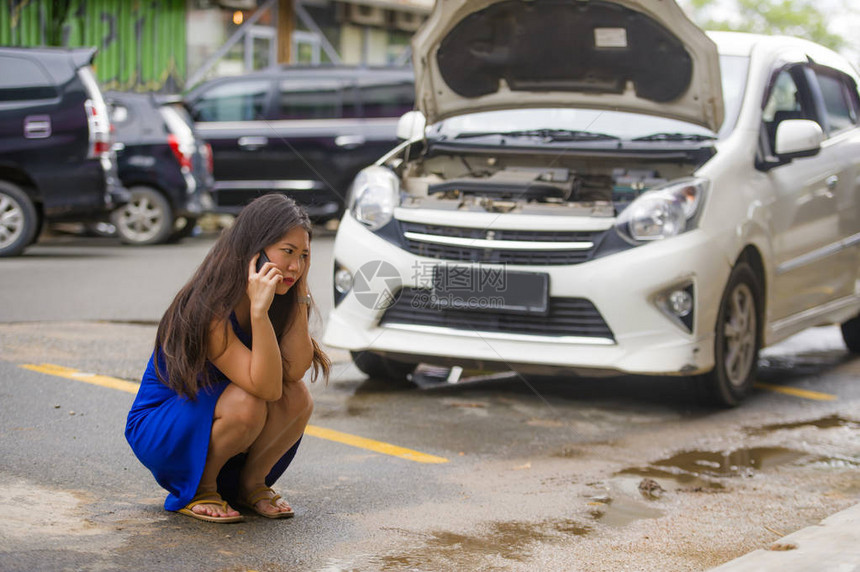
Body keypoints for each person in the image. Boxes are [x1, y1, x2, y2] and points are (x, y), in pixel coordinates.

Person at [125, 194, 330, 523]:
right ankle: (200, 489)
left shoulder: (281, 293)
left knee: (298, 398)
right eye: (287, 252)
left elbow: (294, 370)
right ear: (255, 250)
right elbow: (264, 389)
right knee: (248, 401)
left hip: (224, 414)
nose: (296, 265)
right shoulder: (209, 307)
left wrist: (299, 292)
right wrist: (259, 315)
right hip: (164, 425)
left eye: (304, 255)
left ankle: (252, 484)